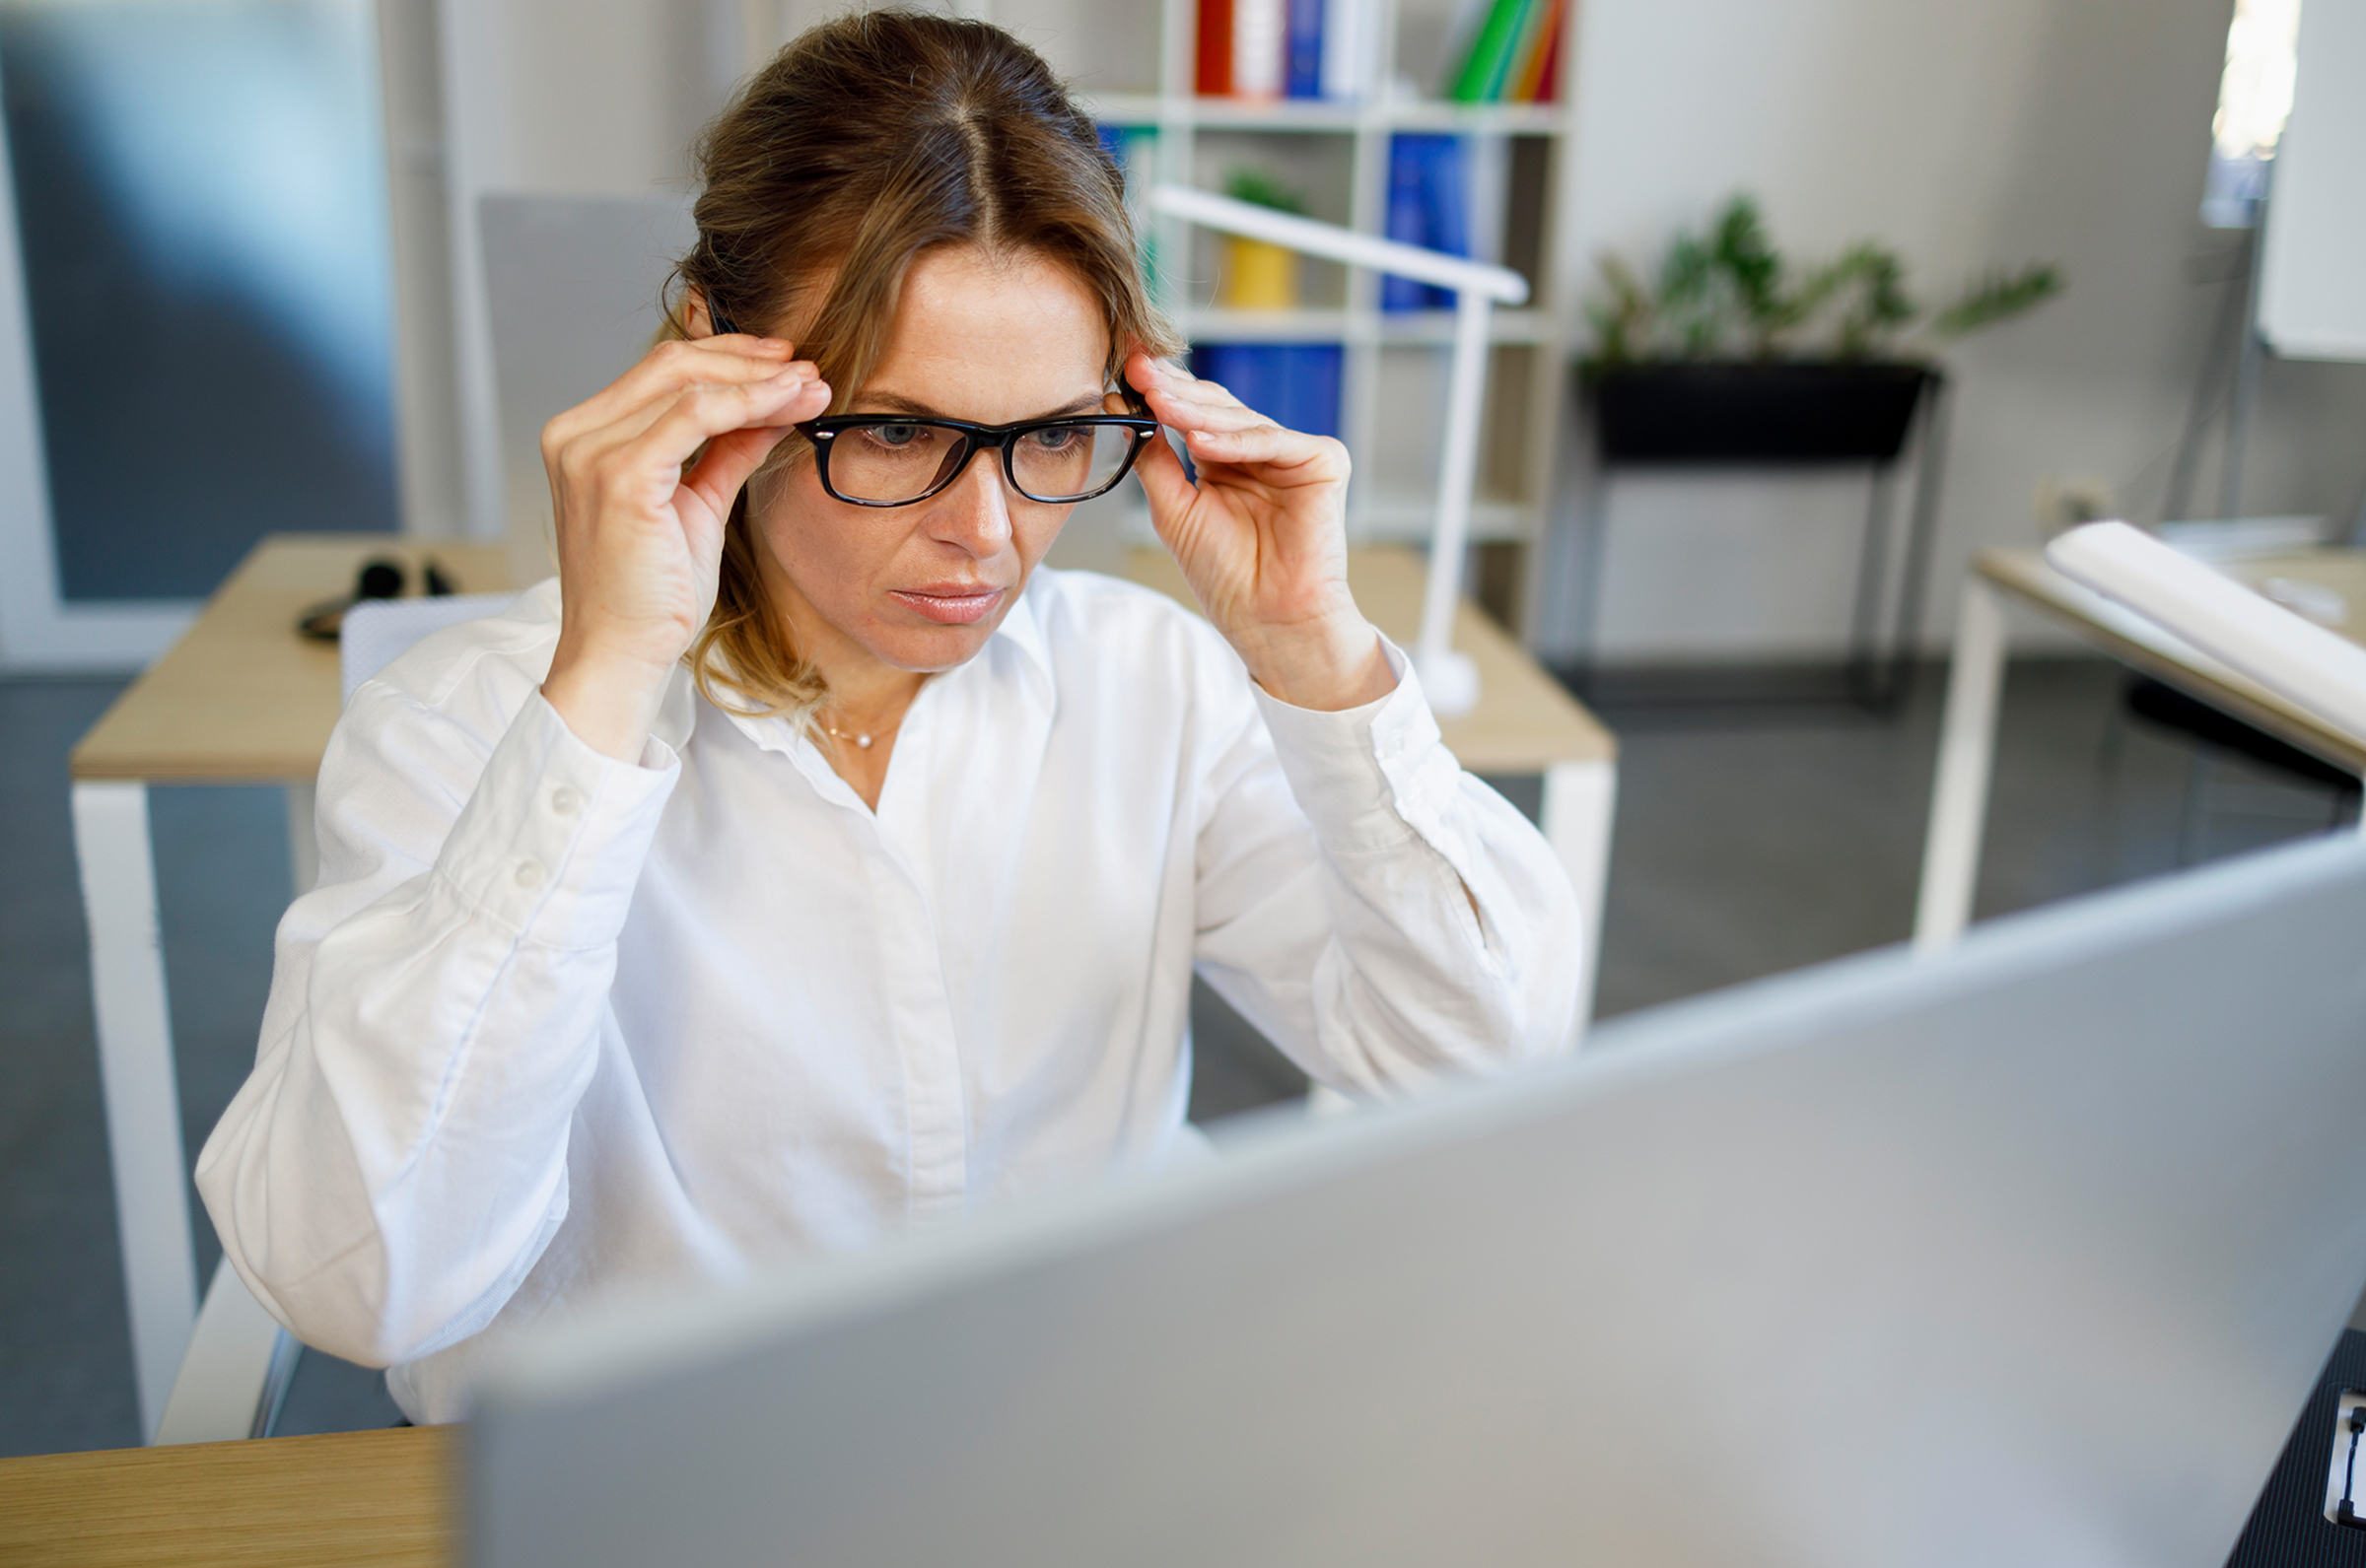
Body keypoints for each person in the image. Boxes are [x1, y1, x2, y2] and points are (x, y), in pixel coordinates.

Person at [196, 9, 1581, 1424]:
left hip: (1066, 1446)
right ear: (714, 365)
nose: (984, 534)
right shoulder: (465, 724)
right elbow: (364, 1281)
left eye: (1051, 436)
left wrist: (1319, 653)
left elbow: (1477, 1056)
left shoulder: (1147, 682)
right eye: (898, 432)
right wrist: (602, 690)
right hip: (658, 1485)